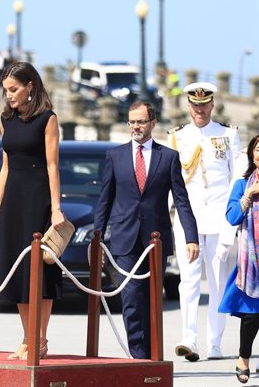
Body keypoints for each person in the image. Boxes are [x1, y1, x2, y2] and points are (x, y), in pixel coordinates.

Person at [93, 101, 200, 359]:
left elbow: (181, 200)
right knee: (131, 299)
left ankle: (152, 356)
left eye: (141, 121)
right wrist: (97, 238)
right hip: (124, 239)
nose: (135, 126)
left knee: (152, 299)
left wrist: (191, 237)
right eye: (131, 121)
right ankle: (138, 358)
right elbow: (104, 201)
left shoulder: (169, 157)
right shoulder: (115, 156)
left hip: (155, 241)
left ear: (153, 123)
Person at [0, 62, 65, 360]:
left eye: (14, 89)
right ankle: (27, 337)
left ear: (30, 86)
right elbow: (5, 167)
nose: (9, 95)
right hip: (13, 202)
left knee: (40, 273)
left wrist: (56, 208)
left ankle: (40, 339)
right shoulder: (7, 119)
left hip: (38, 199)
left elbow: (53, 166)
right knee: (16, 271)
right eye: (6, 90)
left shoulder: (48, 119)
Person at [168, 82, 242, 361]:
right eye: (195, 105)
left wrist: (231, 225)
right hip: (188, 220)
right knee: (188, 281)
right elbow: (171, 182)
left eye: (204, 104)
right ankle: (189, 339)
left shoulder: (227, 135)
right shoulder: (177, 137)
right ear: (188, 106)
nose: (200, 109)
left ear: (212, 105)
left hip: (219, 218)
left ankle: (214, 343)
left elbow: (237, 179)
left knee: (217, 282)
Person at [219, 134, 259, 384]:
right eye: (258, 149)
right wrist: (249, 195)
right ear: (252, 154)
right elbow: (232, 217)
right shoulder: (242, 183)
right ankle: (244, 357)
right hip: (252, 261)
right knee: (252, 314)